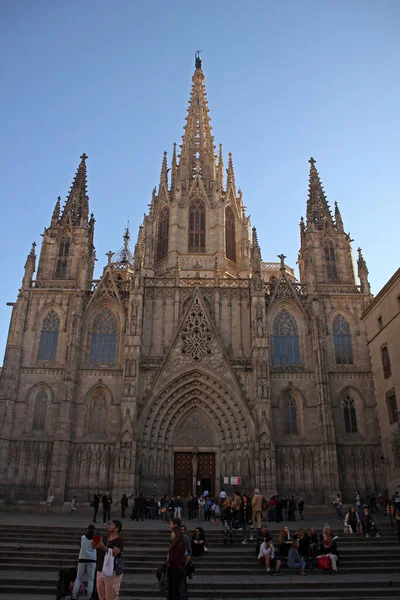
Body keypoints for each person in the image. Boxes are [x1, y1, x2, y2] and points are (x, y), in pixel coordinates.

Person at [94, 519, 123, 600]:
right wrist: (94, 544)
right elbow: (96, 546)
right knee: (101, 596)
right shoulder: (104, 538)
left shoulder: (119, 540)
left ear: (117, 528)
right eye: (109, 524)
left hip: (111, 571)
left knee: (111, 596)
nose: (109, 526)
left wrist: (103, 547)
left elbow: (115, 552)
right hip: (100, 569)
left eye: (112, 525)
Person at [71, 524, 97, 600]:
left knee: (79, 577)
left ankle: (74, 595)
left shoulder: (82, 537)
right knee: (90, 579)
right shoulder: (96, 538)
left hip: (82, 558)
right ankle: (89, 596)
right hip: (92, 559)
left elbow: (80, 546)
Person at [167, 526, 186, 600]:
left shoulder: (180, 543)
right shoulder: (175, 542)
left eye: (172, 532)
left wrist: (169, 560)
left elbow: (176, 556)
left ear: (176, 533)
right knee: (172, 588)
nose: (171, 534)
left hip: (175, 567)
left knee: (174, 588)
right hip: (172, 567)